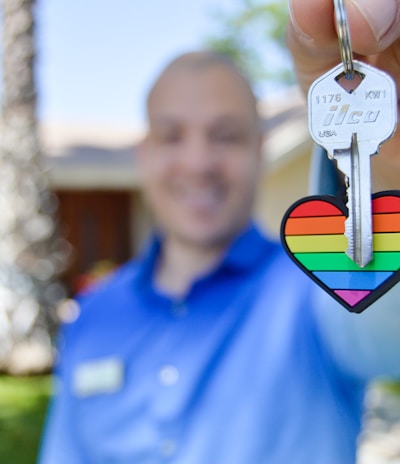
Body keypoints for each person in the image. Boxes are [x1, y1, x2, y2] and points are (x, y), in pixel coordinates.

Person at [39, 1, 400, 463]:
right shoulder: (92, 316)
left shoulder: (319, 289)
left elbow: (385, 330)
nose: (198, 163)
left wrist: (386, 168)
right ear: (144, 154)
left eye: (226, 135)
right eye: (172, 136)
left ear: (259, 149)